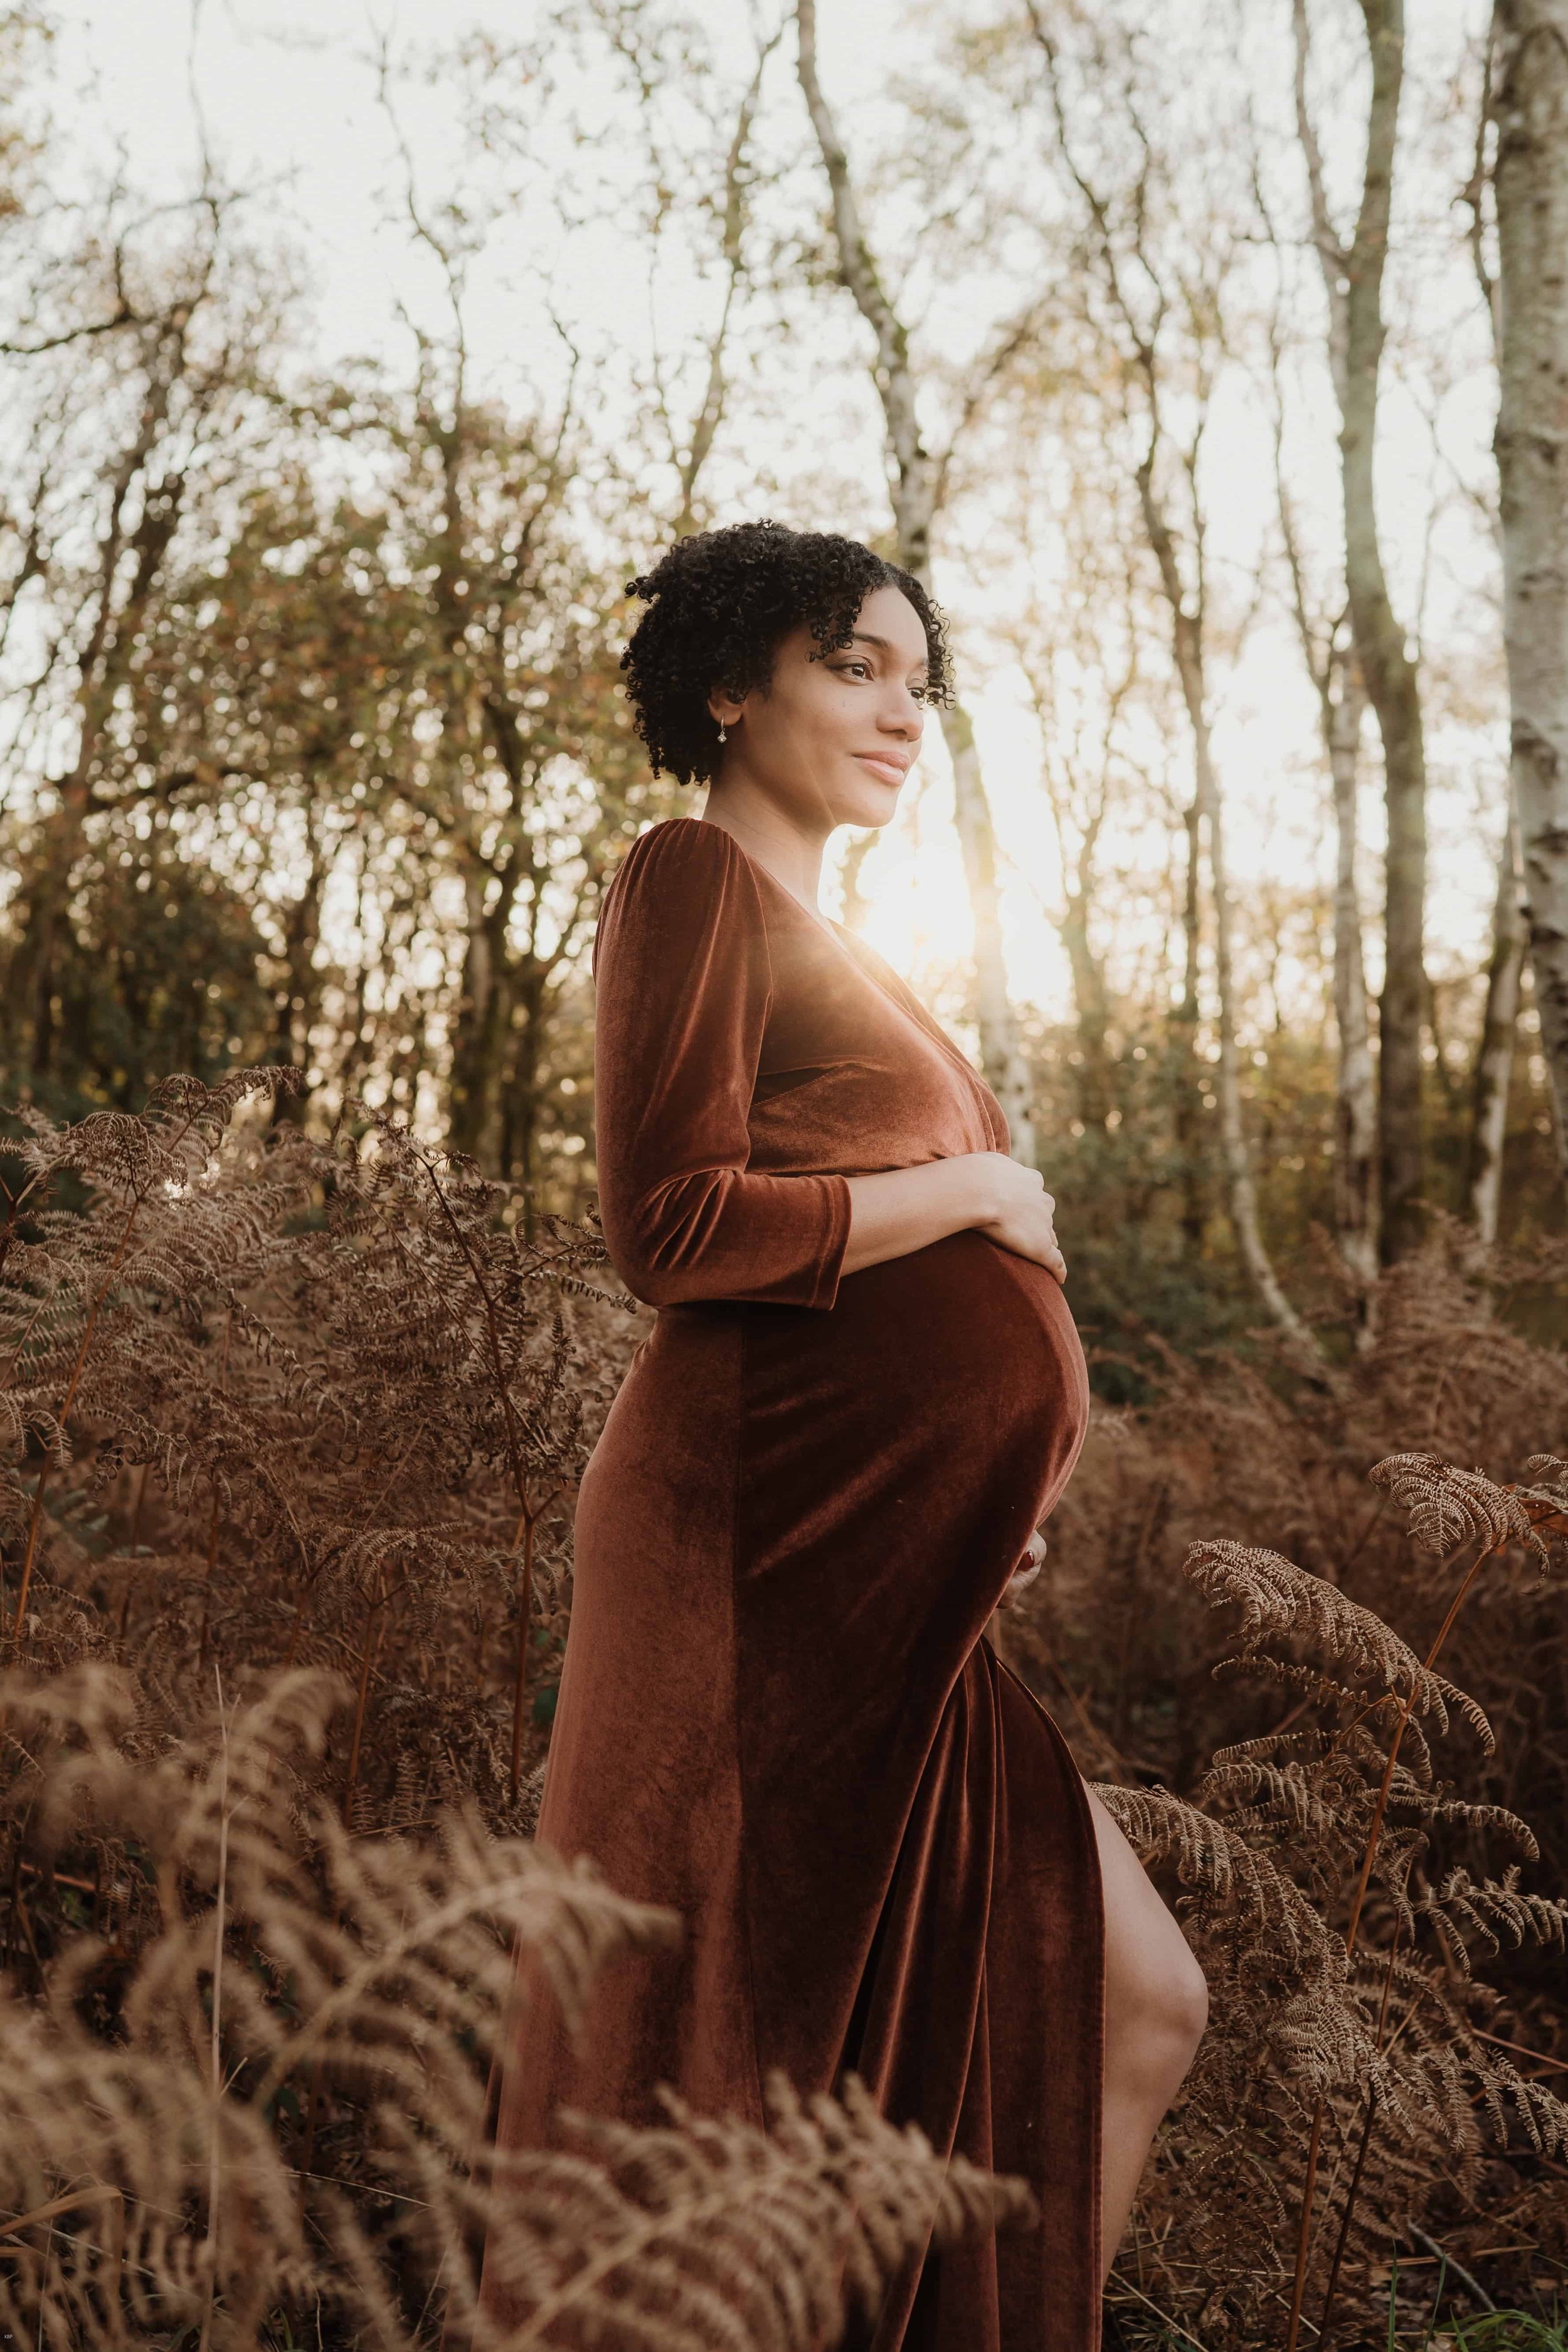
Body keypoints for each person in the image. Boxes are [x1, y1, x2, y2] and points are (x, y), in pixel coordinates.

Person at [483, 520, 1207, 2351]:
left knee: (1132, 2005)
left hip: (886, 1584)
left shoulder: (845, 951)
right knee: (723, 2065)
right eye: (852, 666)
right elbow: (673, 1227)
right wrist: (977, 1189)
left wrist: (978, 1491)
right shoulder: (689, 879)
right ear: (735, 687)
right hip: (751, 1562)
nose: (900, 712)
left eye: (918, 680)